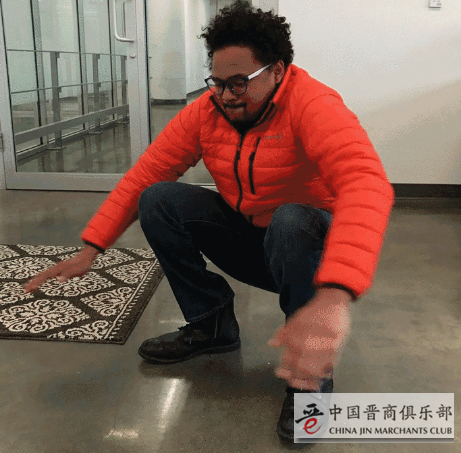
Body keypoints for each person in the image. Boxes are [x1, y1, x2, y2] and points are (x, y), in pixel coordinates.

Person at [23, 0, 394, 443]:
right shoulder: (208, 111)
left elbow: (365, 182)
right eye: (217, 83)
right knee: (158, 198)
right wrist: (92, 247)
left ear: (277, 71)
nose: (227, 95)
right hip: (249, 238)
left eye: (239, 82)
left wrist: (333, 297)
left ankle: (310, 375)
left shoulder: (313, 104)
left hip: (304, 252)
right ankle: (211, 324)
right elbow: (146, 174)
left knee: (292, 219)